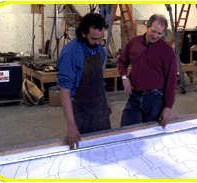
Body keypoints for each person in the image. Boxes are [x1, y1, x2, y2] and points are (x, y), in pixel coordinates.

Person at [57, 13, 112, 150]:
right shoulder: (70, 53)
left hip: (101, 108)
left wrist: (106, 100)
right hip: (82, 111)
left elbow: (99, 76)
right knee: (85, 151)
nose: (98, 42)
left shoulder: (98, 48)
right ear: (83, 33)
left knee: (105, 147)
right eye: (94, 38)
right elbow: (65, 91)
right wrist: (71, 124)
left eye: (100, 38)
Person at [117, 14, 177, 129]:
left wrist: (168, 107)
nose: (155, 36)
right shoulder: (134, 42)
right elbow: (121, 61)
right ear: (147, 27)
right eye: (153, 31)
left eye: (159, 33)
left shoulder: (167, 50)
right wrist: (125, 77)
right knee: (126, 132)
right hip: (134, 96)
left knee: (151, 134)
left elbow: (172, 80)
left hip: (155, 100)